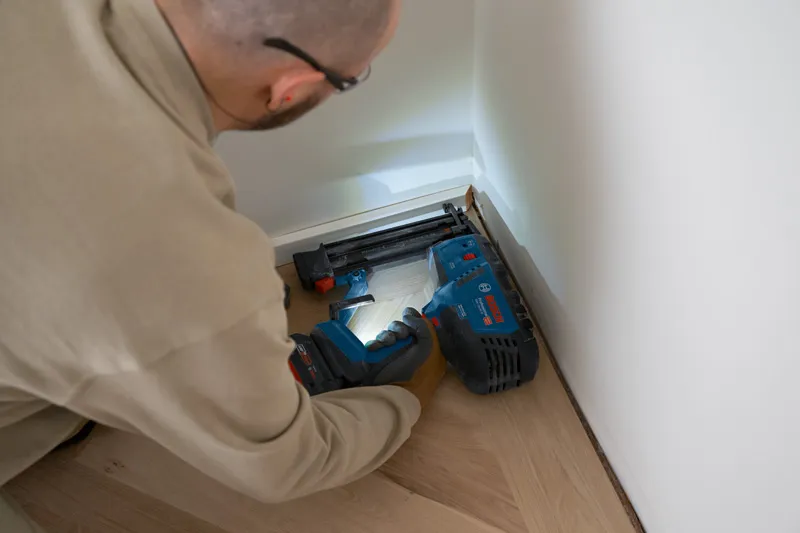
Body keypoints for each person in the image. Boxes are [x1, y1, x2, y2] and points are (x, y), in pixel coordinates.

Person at [0, 0, 447, 529]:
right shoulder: (171, 247)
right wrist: (409, 390)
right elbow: (288, 464)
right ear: (290, 88)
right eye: (350, 79)